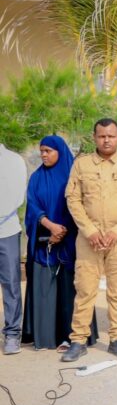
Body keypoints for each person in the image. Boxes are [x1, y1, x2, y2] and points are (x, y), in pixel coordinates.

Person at [61, 118, 117, 362]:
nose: (106, 140)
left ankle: (116, 338)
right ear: (94, 138)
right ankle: (78, 340)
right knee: (85, 290)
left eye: (111, 136)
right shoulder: (82, 164)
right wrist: (89, 230)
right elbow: (73, 199)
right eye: (102, 136)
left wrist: (116, 231)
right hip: (89, 240)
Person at [21, 136, 98, 350]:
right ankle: (46, 337)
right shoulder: (36, 177)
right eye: (41, 151)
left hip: (72, 240)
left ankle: (72, 337)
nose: (43, 155)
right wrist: (50, 226)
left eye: (48, 151)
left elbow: (81, 204)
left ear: (60, 152)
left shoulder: (74, 175)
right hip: (44, 241)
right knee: (45, 289)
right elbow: (32, 207)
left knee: (71, 288)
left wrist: (62, 230)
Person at [0, 142, 27, 355]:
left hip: (6, 230)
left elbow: (18, 197)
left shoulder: (14, 160)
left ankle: (12, 333)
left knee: (10, 283)